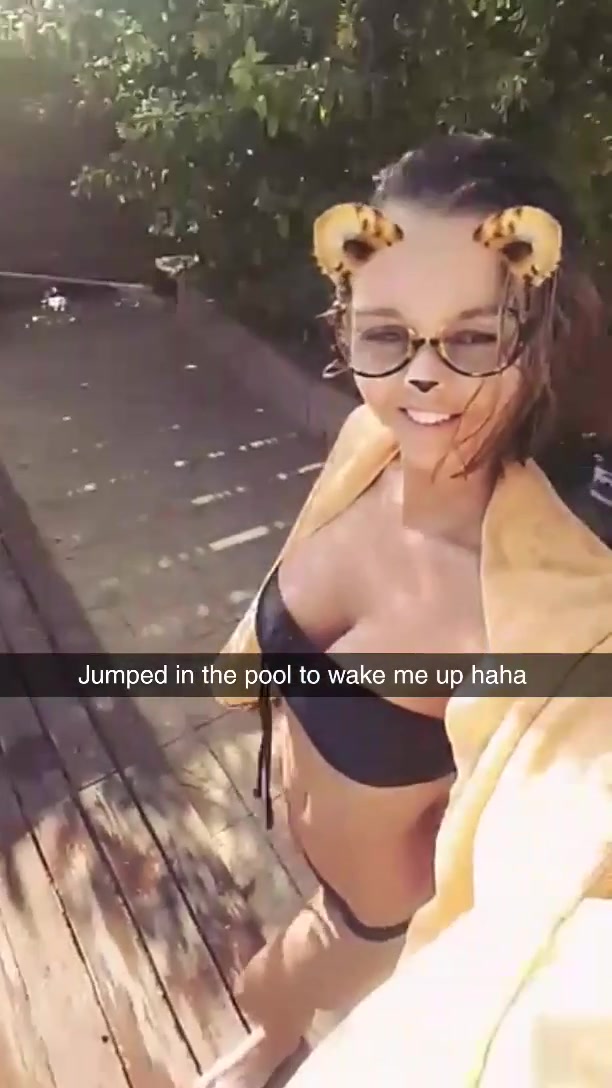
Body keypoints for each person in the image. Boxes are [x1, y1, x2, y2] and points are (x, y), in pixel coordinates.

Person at [197, 133, 612, 1088]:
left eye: (473, 336)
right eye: (387, 333)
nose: (421, 380)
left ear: (542, 335)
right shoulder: (369, 444)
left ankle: (273, 1046)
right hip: (305, 846)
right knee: (267, 995)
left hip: (373, 923)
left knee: (273, 992)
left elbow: (571, 875)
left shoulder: (549, 612)